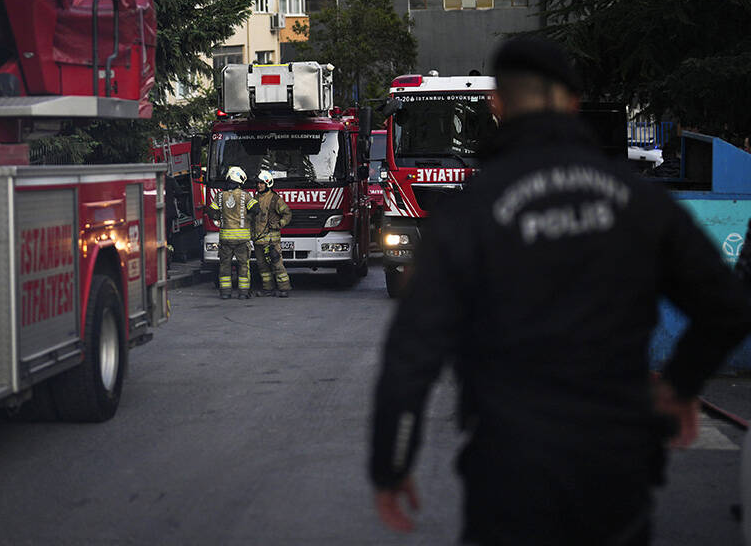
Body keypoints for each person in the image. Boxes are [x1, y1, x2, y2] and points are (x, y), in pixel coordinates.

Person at [369, 36, 751, 545]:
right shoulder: (637, 200)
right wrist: (681, 386)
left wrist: (392, 464)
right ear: (573, 103)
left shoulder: (471, 213)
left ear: (498, 105)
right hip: (616, 470)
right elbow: (726, 306)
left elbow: (412, 352)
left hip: (510, 473)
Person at [210, 166, 256, 300]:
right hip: (242, 240)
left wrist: (219, 218)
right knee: (243, 266)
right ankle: (243, 293)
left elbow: (211, 211)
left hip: (225, 239)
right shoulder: (245, 196)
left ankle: (225, 293)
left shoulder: (219, 196)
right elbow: (256, 209)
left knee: (225, 266)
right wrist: (247, 218)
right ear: (240, 181)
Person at [251, 170, 293, 297]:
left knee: (277, 265)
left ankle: (284, 288)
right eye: (258, 183)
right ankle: (268, 289)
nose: (259, 186)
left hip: (272, 241)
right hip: (258, 240)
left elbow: (287, 214)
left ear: (268, 184)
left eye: (262, 183)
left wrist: (279, 224)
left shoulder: (275, 199)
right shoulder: (255, 198)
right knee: (262, 267)